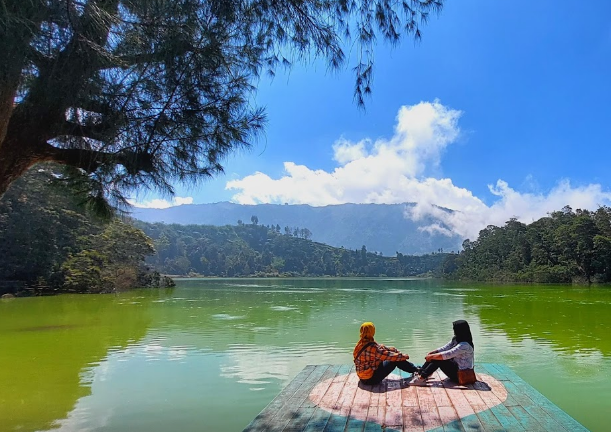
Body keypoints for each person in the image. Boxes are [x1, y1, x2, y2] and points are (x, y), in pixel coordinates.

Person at [353, 321, 419, 385]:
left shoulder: (360, 344)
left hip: (362, 377)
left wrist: (392, 350)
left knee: (393, 354)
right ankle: (417, 371)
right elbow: (389, 356)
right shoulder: (372, 347)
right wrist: (403, 356)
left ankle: (415, 369)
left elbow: (379, 349)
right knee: (395, 360)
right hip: (370, 379)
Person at [412, 319, 474, 384]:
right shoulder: (456, 339)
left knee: (438, 359)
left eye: (454, 329)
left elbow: (449, 354)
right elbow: (446, 347)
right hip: (456, 368)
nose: (453, 331)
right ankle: (420, 373)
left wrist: (432, 356)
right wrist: (434, 352)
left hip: (461, 375)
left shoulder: (465, 345)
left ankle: (421, 378)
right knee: (435, 355)